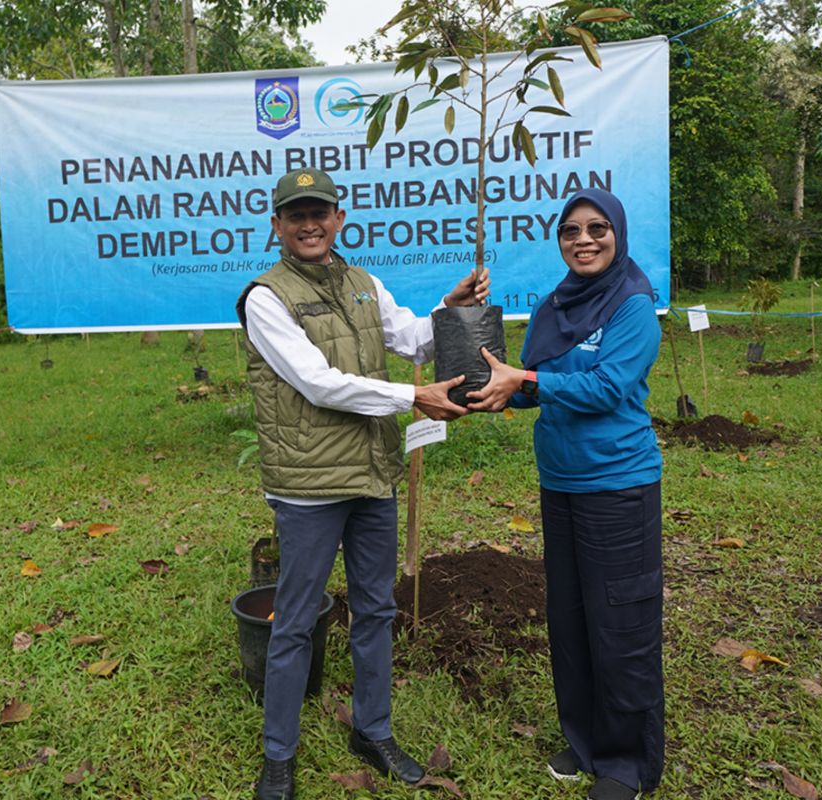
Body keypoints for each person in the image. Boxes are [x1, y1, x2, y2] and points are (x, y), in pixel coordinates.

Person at [235, 166, 490, 800]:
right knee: (295, 621)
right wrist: (412, 397)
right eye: (296, 215)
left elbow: (412, 338)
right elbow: (317, 381)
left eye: (319, 212)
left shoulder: (362, 283)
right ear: (277, 227)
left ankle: (371, 731)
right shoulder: (265, 297)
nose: (309, 224)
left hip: (373, 474)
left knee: (377, 610)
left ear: (339, 219)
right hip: (310, 484)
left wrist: (449, 311)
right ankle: (278, 756)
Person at [467, 188, 664, 800]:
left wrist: (525, 379)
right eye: (571, 230)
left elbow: (608, 386)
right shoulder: (556, 305)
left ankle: (625, 763)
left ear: (618, 233)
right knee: (573, 618)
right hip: (561, 481)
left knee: (621, 623)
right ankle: (584, 741)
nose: (584, 240)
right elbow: (535, 383)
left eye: (597, 228)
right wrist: (489, 387)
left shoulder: (633, 303)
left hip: (618, 485)